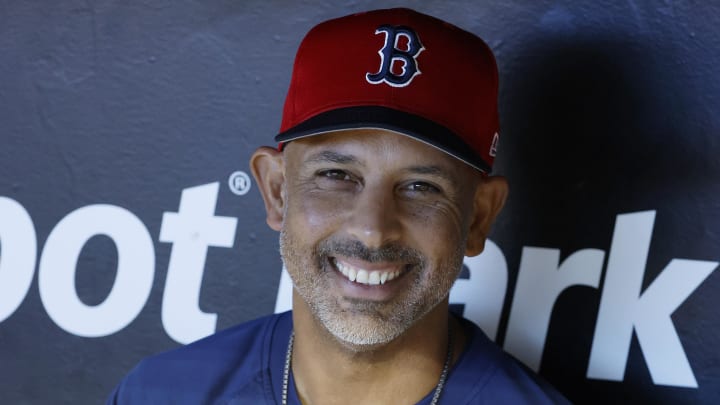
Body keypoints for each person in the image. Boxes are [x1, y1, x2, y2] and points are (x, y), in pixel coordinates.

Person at [108, 8, 569, 404]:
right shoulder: (161, 393)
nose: (373, 229)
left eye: (421, 187)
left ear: (479, 217)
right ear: (276, 190)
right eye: (336, 176)